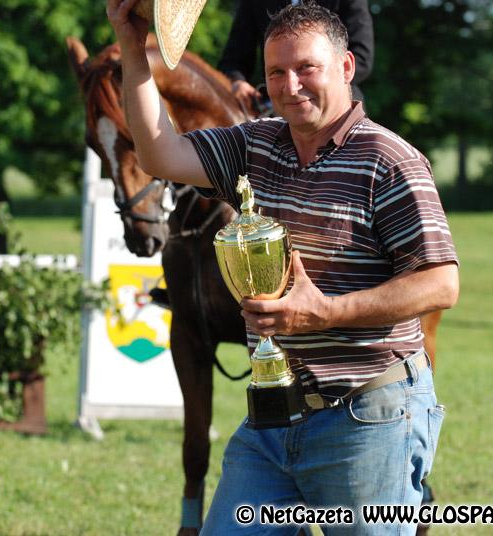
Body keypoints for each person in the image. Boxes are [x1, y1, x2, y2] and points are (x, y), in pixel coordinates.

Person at [106, 1, 459, 533]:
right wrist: (133, 48)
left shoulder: (390, 161)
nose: (290, 86)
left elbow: (442, 283)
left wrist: (326, 312)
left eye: (305, 68)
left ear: (345, 67)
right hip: (272, 420)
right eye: (276, 72)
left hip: (369, 417)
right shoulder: (255, 145)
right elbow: (159, 155)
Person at [218, 0, 374, 106]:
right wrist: (237, 82)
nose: (293, 87)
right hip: (273, 105)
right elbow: (233, 60)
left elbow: (362, 57)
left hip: (338, 102)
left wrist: (318, 80)